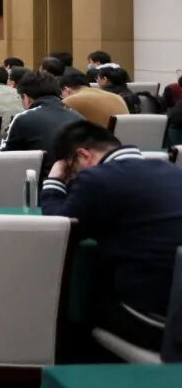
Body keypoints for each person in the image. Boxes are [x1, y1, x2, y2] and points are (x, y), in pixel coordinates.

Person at [41, 121, 182, 353]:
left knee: (75, 306)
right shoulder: (173, 171)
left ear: (83, 156)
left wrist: (55, 181)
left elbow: (61, 227)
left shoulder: (97, 179)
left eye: (72, 172)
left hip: (158, 320)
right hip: (173, 305)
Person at [2, 72, 83, 179]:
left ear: (26, 98)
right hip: (76, 182)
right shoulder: (79, 117)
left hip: (38, 183)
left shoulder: (23, 118)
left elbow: (4, 157)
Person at [59, 72, 128, 128]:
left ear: (66, 89)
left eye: (61, 94)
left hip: (102, 139)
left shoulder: (71, 100)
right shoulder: (117, 97)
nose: (62, 97)